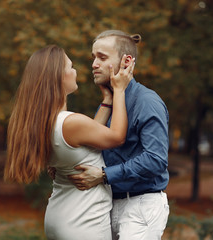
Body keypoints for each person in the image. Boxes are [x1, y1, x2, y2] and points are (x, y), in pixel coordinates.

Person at [4, 45, 135, 240]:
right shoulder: (70, 122)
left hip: (60, 217)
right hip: (83, 222)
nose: (76, 71)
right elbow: (116, 136)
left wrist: (107, 100)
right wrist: (119, 90)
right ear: (59, 76)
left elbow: (87, 140)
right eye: (71, 67)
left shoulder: (46, 122)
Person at [68, 30, 170, 240]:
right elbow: (92, 147)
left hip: (141, 205)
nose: (94, 64)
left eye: (102, 58)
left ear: (126, 62)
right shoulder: (109, 101)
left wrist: (105, 175)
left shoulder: (147, 102)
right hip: (108, 204)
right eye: (94, 57)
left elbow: (156, 160)